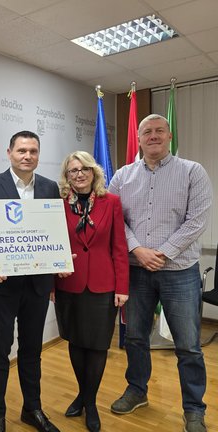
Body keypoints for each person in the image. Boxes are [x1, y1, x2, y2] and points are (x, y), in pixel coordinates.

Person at [109, 114, 212, 432]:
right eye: (147, 132)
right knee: (135, 337)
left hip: (179, 271)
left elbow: (197, 220)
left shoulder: (193, 171)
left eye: (159, 131)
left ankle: (193, 408)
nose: (153, 136)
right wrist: (138, 250)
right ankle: (137, 390)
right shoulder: (122, 176)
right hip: (136, 271)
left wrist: (163, 252)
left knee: (188, 345)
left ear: (169, 136)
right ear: (139, 139)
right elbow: (114, 219)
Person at [0, 130, 61, 432]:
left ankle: (32, 409)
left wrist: (59, 259)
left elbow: (54, 231)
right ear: (9, 152)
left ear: (38, 155)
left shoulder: (50, 187)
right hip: (1, 286)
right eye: (22, 150)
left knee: (32, 350)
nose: (27, 156)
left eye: (33, 151)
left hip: (37, 285)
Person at [53, 151, 129, 432]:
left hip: (103, 284)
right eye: (73, 170)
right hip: (68, 284)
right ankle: (82, 395)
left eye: (84, 168)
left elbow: (119, 247)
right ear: (67, 176)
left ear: (94, 172)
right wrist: (51, 284)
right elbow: (51, 245)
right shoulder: (58, 205)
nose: (79, 174)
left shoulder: (112, 202)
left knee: (97, 346)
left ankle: (90, 402)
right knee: (75, 342)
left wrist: (122, 287)